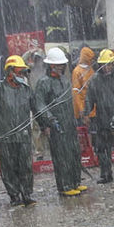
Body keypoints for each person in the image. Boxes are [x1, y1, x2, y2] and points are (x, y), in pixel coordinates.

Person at [0, 55, 38, 207]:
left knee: (26, 166)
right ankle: (14, 195)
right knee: (8, 167)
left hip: (23, 135)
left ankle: (27, 194)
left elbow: (37, 109)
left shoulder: (26, 90)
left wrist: (47, 123)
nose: (22, 76)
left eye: (23, 73)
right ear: (10, 72)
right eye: (19, 72)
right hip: (6, 136)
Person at [34, 46, 84, 196]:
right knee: (61, 156)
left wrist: (75, 118)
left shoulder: (64, 80)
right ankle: (65, 185)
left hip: (69, 123)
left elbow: (69, 102)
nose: (61, 68)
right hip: (56, 125)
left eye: (62, 65)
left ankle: (76, 181)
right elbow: (40, 104)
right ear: (51, 66)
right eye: (58, 65)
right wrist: (50, 120)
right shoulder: (44, 83)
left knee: (74, 153)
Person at [87, 49, 114, 184]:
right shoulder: (94, 81)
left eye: (109, 64)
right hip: (102, 119)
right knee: (103, 148)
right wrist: (86, 113)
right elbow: (89, 99)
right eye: (104, 65)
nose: (107, 67)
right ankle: (105, 174)